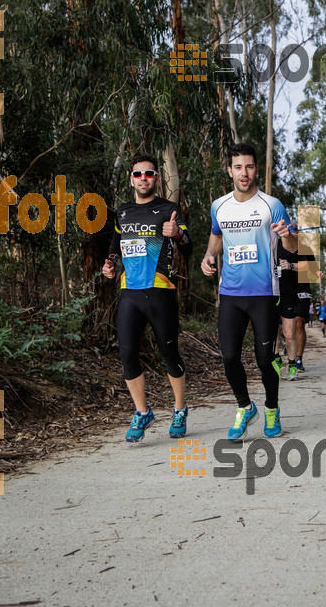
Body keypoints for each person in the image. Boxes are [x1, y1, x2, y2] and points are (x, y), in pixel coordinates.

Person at [201, 143, 297, 441]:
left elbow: (292, 247)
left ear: (256, 169)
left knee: (265, 358)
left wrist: (288, 236)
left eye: (250, 167)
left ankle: (271, 408)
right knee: (229, 357)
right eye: (239, 167)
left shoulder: (272, 204)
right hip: (230, 293)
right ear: (229, 170)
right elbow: (216, 237)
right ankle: (245, 407)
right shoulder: (219, 205)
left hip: (264, 293)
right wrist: (208, 256)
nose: (245, 173)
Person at [102, 154, 192, 441]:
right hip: (129, 292)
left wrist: (177, 234)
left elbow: (188, 248)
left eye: (149, 174)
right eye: (138, 174)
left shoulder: (168, 209)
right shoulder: (123, 211)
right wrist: (110, 261)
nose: (143, 179)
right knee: (127, 353)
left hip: (160, 291)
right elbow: (116, 242)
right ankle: (143, 412)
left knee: (169, 354)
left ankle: (179, 409)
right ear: (131, 179)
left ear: (157, 178)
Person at [274, 232, 320, 378]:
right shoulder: (274, 246)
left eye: (293, 231)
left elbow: (311, 267)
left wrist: (317, 272)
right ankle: (280, 353)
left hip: (301, 289)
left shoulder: (304, 248)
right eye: (287, 231)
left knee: (298, 324)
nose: (289, 233)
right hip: (279, 289)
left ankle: (297, 359)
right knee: (282, 329)